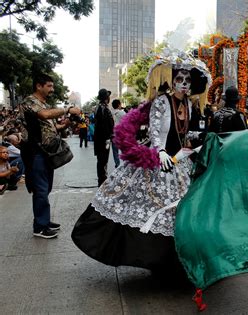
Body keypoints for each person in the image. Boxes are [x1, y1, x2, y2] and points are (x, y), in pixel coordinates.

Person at [72, 51, 211, 272]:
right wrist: (161, 151)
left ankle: (176, 261)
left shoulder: (190, 104)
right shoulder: (161, 102)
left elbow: (185, 133)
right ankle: (154, 258)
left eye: (187, 80)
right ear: (172, 81)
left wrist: (195, 143)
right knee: (153, 206)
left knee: (181, 209)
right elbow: (155, 132)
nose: (184, 84)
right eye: (179, 80)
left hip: (181, 162)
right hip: (159, 160)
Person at [18, 73, 81, 238]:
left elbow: (52, 127)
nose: (52, 89)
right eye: (49, 86)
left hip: (47, 152)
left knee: (46, 188)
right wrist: (67, 109)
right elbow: (45, 115)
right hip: (35, 152)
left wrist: (66, 123)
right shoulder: (29, 102)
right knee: (40, 189)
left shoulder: (44, 104)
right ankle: (40, 227)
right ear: (39, 86)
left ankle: (42, 221)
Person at [93, 89, 114, 186]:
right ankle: (102, 181)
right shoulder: (103, 108)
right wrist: (108, 138)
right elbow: (104, 125)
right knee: (103, 160)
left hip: (100, 139)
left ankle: (102, 180)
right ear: (106, 98)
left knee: (101, 161)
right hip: (103, 140)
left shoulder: (99, 107)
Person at [110, 99, 126, 168]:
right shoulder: (122, 113)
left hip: (113, 134)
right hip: (121, 134)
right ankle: (124, 163)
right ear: (119, 105)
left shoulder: (110, 112)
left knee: (115, 151)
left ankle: (117, 163)